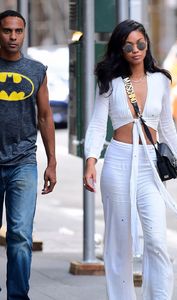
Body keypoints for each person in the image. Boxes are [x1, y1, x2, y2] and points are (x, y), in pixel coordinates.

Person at [84, 19, 177, 300]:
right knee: (119, 242)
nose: (135, 50)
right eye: (128, 45)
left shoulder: (161, 80)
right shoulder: (110, 81)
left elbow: (167, 127)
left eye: (140, 44)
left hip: (150, 165)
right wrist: (90, 161)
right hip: (118, 161)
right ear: (120, 49)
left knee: (157, 240)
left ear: (147, 44)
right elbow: (99, 124)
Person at [0, 10, 56, 299]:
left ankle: (17, 296)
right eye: (7, 31)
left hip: (23, 161)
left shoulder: (36, 70)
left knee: (20, 235)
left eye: (18, 31)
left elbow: (45, 117)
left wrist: (52, 163)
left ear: (24, 33)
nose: (13, 37)